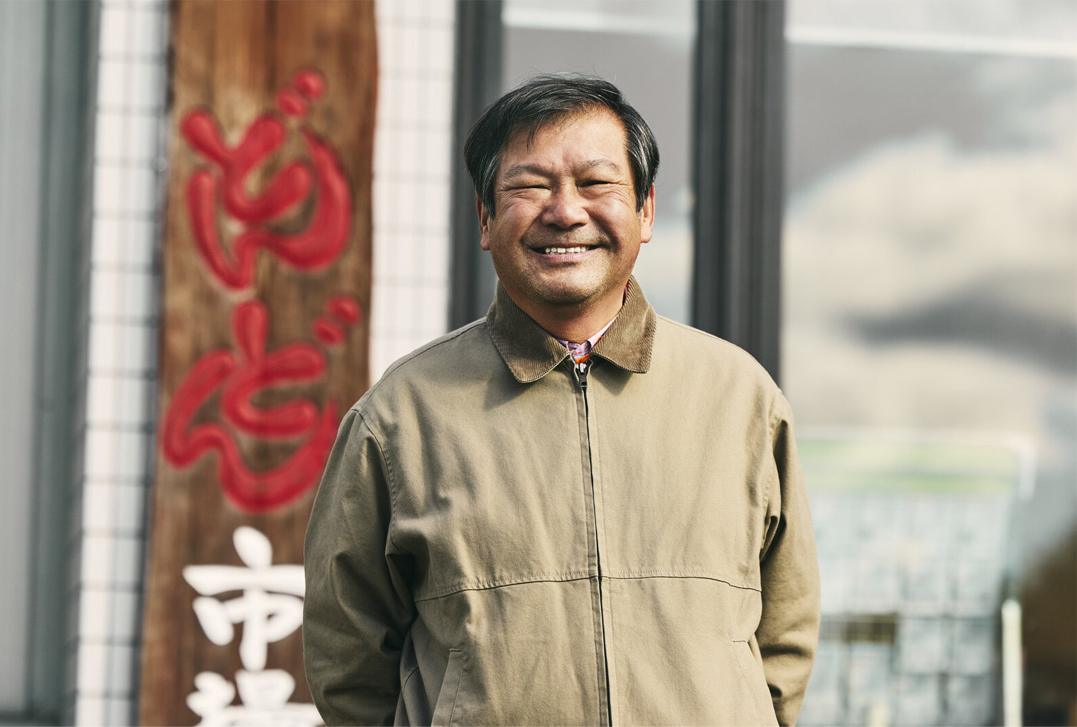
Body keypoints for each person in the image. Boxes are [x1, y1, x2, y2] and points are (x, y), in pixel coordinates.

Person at [303, 74, 820, 726]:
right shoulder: (401, 415)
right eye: (531, 186)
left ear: (646, 211)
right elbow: (348, 661)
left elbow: (784, 636)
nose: (565, 211)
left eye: (596, 182)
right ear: (485, 218)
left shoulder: (739, 397)